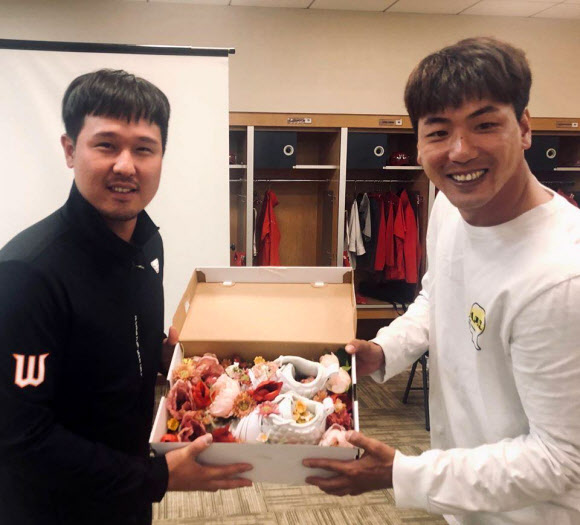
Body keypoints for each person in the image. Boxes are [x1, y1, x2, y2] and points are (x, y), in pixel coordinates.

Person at [304, 37, 580, 525]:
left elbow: (561, 460)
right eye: (438, 131)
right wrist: (383, 350)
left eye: (485, 125)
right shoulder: (450, 208)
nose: (459, 151)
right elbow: (438, 297)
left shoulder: (562, 278)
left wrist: (404, 474)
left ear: (524, 128)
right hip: (466, 496)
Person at [0, 69, 252, 525]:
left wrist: (166, 360)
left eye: (143, 149)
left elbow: (111, 341)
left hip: (127, 500)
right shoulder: (27, 273)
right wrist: (155, 477)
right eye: (106, 145)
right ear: (70, 150)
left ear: (161, 157)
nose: (125, 165)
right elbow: (21, 437)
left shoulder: (146, 245)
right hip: (52, 510)